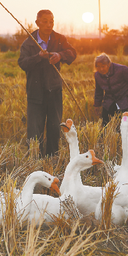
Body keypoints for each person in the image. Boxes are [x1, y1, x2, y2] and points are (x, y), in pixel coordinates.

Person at [18, 10, 77, 157]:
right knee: (34, 129)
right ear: (37, 23)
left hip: (54, 91)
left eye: (51, 21)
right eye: (45, 21)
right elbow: (22, 63)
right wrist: (38, 57)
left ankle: (52, 159)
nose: (49, 25)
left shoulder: (59, 39)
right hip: (35, 92)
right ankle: (35, 159)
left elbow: (72, 53)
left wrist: (60, 55)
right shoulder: (29, 42)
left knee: (54, 127)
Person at [93, 53, 128, 128]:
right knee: (105, 119)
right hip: (110, 99)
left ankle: (121, 133)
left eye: (103, 66)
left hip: (124, 97)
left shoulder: (122, 70)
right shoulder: (97, 75)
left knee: (121, 119)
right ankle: (107, 135)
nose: (101, 69)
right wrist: (97, 104)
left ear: (109, 64)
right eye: (98, 67)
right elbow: (98, 91)